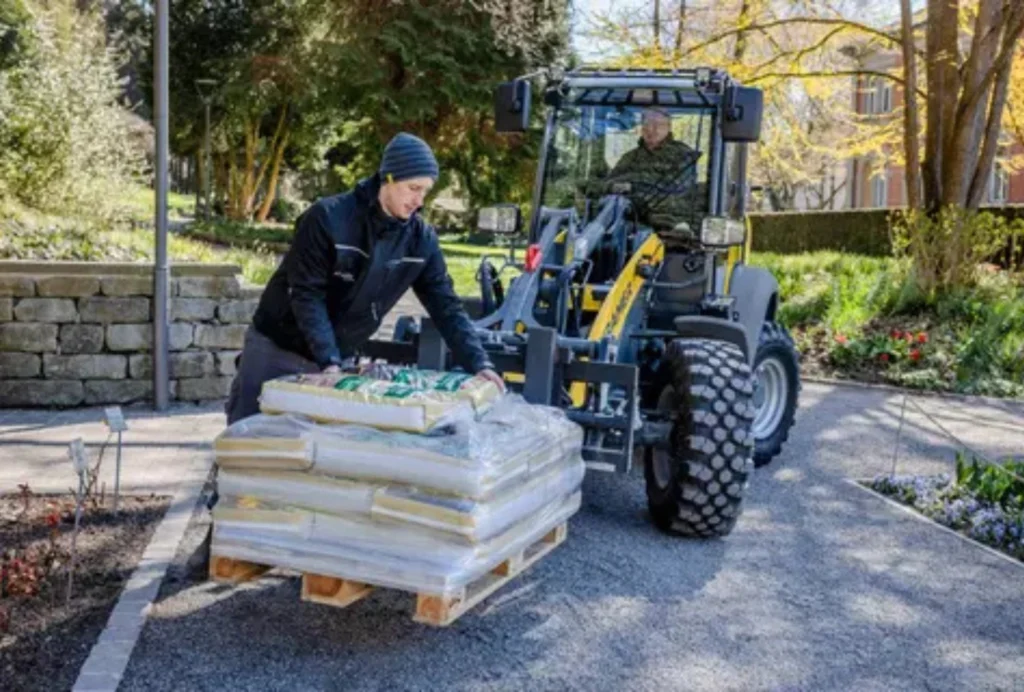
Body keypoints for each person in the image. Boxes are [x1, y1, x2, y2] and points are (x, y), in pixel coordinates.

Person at [225, 132, 504, 425]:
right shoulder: (327, 218)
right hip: (278, 349)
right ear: (388, 178)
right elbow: (306, 294)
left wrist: (479, 363)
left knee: (312, 446)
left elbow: (446, 306)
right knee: (250, 435)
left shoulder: (421, 240)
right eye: (413, 188)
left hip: (338, 359)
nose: (419, 201)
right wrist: (329, 362)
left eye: (425, 191)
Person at [602, 107, 704, 238]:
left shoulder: (683, 155)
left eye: (658, 125)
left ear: (668, 127)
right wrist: (615, 187)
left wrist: (634, 185)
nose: (652, 129)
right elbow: (608, 185)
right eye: (647, 124)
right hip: (631, 223)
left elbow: (676, 189)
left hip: (671, 225)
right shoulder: (630, 158)